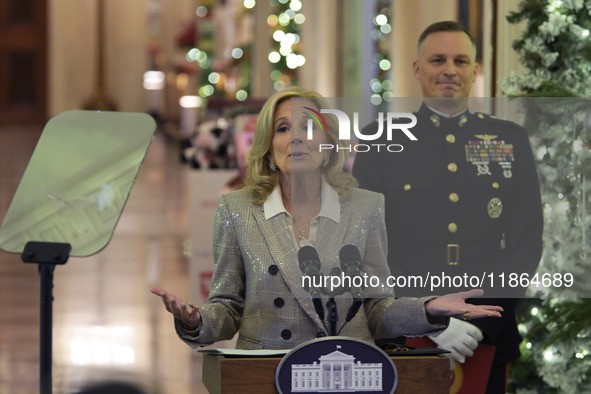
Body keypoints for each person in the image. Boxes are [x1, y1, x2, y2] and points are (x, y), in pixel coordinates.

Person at [152, 87, 503, 350]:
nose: (297, 139)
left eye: (309, 127)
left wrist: (428, 310)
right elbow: (227, 309)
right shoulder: (237, 210)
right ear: (269, 147)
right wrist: (195, 321)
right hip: (267, 375)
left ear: (328, 144)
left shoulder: (366, 207)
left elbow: (377, 309)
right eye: (283, 128)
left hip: (349, 370)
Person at [353, 21, 543, 393]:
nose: (449, 70)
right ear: (417, 69)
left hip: (485, 334)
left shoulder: (508, 139)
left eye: (460, 60)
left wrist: (478, 318)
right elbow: (367, 242)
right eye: (438, 59)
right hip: (403, 337)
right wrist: (427, 317)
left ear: (474, 70)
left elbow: (525, 240)